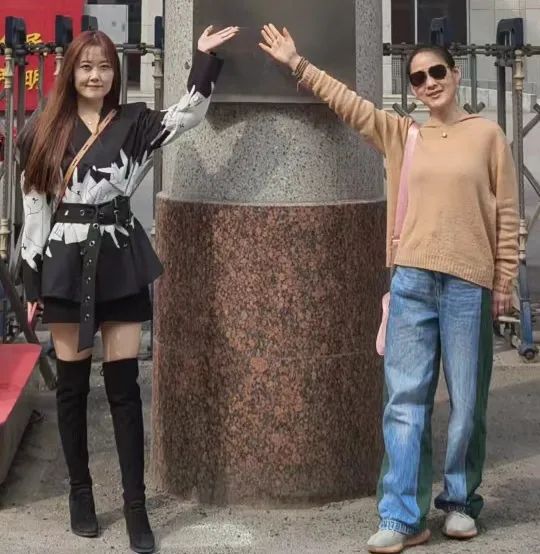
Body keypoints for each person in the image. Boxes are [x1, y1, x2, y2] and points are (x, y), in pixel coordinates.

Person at [260, 25, 519, 553]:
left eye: (436, 72)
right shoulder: (404, 135)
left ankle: (460, 502)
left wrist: (505, 280)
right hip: (412, 281)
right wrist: (297, 62)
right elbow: (349, 104)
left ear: (456, 74)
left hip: (469, 283)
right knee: (404, 401)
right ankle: (402, 516)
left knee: (467, 401)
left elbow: (508, 214)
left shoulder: (488, 136)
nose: (429, 83)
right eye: (417, 78)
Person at [17, 26, 239, 554]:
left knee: (123, 389)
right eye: (85, 66)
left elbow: (188, 115)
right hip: (65, 260)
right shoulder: (43, 129)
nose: (95, 75)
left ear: (115, 73)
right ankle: (81, 495)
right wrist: (32, 277)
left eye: (104, 67)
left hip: (118, 257)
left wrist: (203, 60)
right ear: (70, 72)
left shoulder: (134, 122)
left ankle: (135, 506)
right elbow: (34, 207)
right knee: (72, 388)